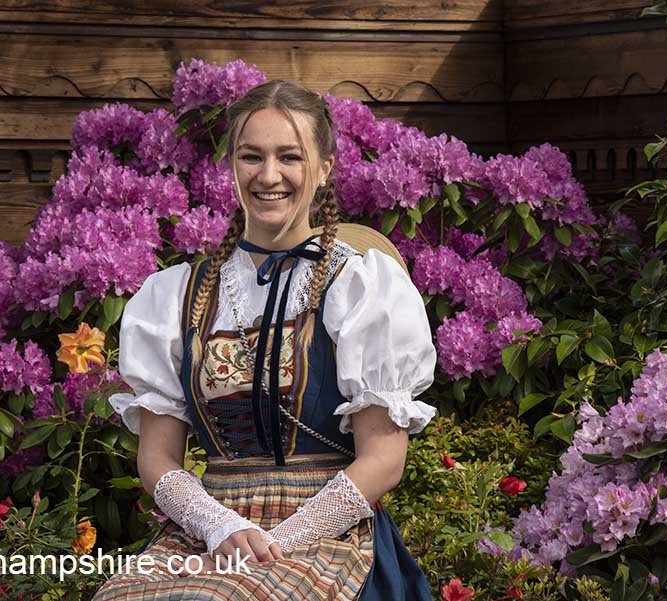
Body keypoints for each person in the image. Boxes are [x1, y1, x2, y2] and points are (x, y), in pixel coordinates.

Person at [93, 80, 437, 601]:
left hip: (328, 532)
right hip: (211, 532)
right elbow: (158, 459)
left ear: (324, 168)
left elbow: (385, 459)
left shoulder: (360, 286)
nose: (269, 175)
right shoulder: (176, 295)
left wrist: (277, 543)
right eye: (251, 156)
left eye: (290, 157)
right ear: (232, 165)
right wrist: (218, 526)